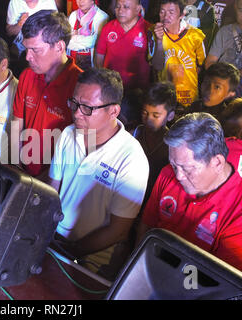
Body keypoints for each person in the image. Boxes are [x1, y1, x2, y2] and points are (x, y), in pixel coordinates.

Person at [48, 68, 149, 276]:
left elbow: (117, 230)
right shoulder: (68, 134)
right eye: (74, 104)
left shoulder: (131, 158)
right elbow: (52, 190)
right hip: (53, 237)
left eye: (87, 108)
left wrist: (71, 250)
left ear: (113, 111)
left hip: (92, 259)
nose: (76, 113)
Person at [137, 112, 242, 271]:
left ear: (217, 163)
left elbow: (223, 281)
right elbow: (147, 224)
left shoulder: (237, 212)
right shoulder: (168, 173)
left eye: (187, 168)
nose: (178, 175)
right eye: (174, 165)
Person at [12, 9, 82, 179]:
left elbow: (80, 147)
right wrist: (15, 164)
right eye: (26, 49)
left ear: (59, 46)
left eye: (35, 50)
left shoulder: (80, 86)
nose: (28, 57)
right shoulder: (27, 76)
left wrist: (47, 180)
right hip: (22, 171)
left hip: (57, 179)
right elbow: (17, 124)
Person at [149, 0, 206, 107]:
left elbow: (201, 67)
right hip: (163, 97)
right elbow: (156, 66)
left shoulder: (196, 36)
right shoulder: (153, 32)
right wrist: (160, 41)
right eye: (162, 12)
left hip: (189, 98)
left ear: (182, 14)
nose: (166, 16)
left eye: (171, 12)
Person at [132, 81, 177, 207]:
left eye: (156, 115)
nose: (148, 119)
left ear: (170, 116)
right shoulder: (134, 135)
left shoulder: (172, 147)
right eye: (145, 113)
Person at [96, 0, 151, 93]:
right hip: (111, 88)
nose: (120, 10)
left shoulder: (148, 29)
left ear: (138, 9)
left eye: (126, 7)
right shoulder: (108, 28)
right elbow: (99, 57)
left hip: (138, 90)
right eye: (118, 6)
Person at [205, 0, 242, 96]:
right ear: (235, 8)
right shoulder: (224, 32)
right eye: (240, 10)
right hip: (224, 84)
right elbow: (210, 63)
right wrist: (223, 76)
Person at [67, 0, 109, 69]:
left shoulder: (102, 17)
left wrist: (74, 38)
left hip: (91, 65)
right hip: (72, 63)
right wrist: (84, 39)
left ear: (93, 1)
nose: (80, 1)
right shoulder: (73, 15)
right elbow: (67, 40)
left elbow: (93, 42)